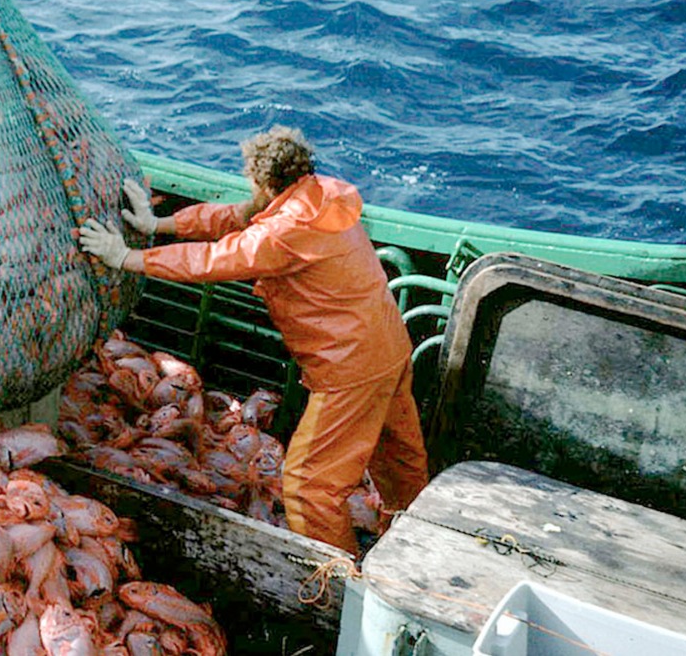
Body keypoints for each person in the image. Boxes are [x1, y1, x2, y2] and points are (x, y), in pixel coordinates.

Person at [78, 126, 427, 554]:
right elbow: (238, 216)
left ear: (265, 183)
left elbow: (213, 259)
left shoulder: (282, 232)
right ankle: (415, 544)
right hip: (390, 348)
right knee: (399, 458)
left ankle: (342, 589)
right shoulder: (321, 195)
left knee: (306, 486)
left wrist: (126, 257)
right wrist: (159, 223)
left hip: (349, 370)